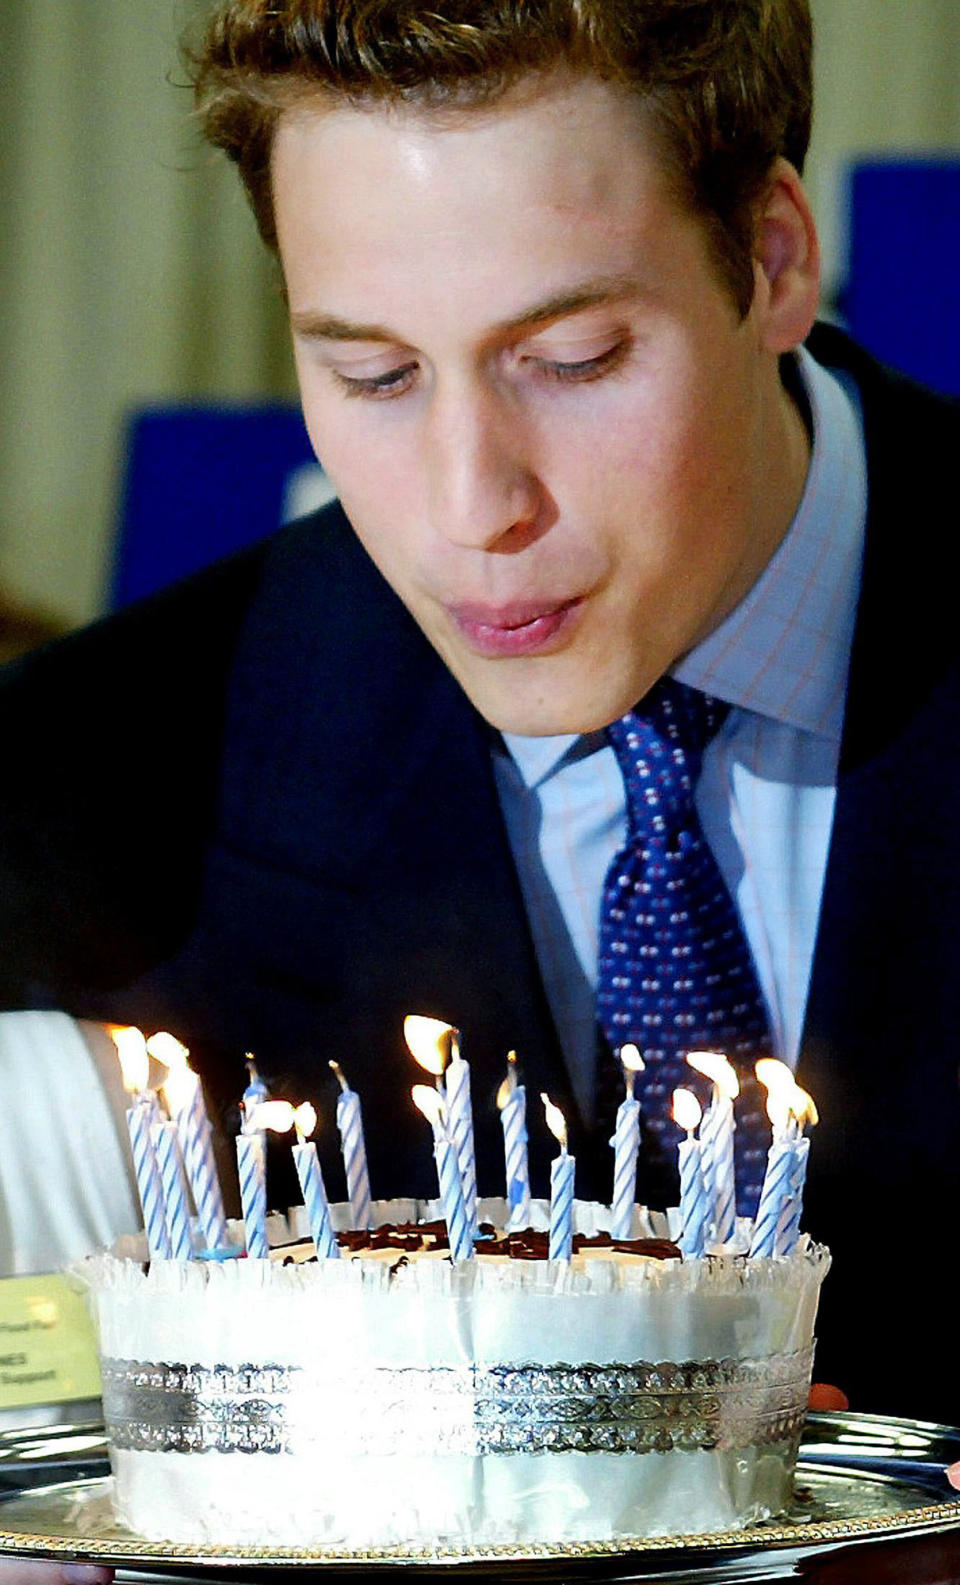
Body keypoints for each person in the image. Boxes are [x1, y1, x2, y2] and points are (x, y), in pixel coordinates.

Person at [2, 5, 959, 1508]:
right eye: (374, 376)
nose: (471, 506)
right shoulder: (89, 783)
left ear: (773, 258)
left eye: (572, 359)